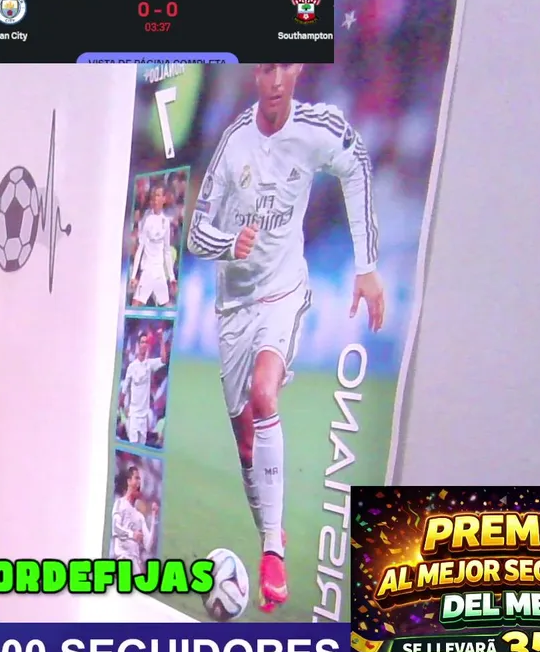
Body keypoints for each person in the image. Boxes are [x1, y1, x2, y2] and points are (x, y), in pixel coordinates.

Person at [185, 63, 385, 614]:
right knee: (246, 443)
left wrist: (367, 266)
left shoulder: (316, 128)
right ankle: (270, 530)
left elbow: (357, 166)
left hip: (283, 291)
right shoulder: (234, 145)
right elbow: (198, 233)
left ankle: (272, 549)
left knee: (264, 393)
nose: (276, 80)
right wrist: (229, 243)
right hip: (233, 305)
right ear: (256, 73)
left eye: (284, 67)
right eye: (266, 67)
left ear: (298, 69)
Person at [128, 185, 177, 307]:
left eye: (158, 195)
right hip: (147, 269)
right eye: (154, 195)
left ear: (164, 199)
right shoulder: (147, 220)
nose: (156, 199)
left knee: (166, 304)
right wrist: (133, 276)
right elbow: (140, 248)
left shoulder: (166, 222)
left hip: (159, 271)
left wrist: (172, 277)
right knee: (136, 304)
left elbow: (166, 250)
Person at [119, 333, 168, 445]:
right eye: (142, 342)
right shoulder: (132, 367)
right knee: (133, 445)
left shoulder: (150, 364)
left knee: (141, 446)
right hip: (133, 415)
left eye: (146, 342)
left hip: (144, 416)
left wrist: (161, 340)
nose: (144, 344)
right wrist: (124, 411)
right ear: (138, 344)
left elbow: (163, 360)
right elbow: (124, 391)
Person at [109, 466, 158, 573]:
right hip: (123, 559)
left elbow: (148, 545)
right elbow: (115, 528)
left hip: (135, 563)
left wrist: (154, 517)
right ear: (128, 481)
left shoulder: (139, 516)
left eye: (140, 479)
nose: (139, 482)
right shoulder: (120, 503)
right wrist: (132, 534)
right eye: (136, 478)